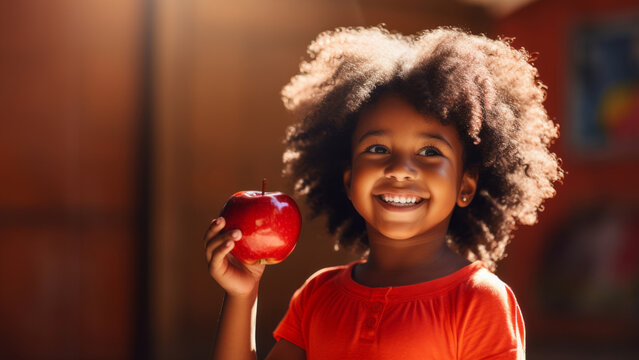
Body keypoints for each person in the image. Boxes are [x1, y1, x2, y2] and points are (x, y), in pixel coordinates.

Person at [204, 26, 563, 360]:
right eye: (377, 149)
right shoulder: (317, 296)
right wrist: (242, 295)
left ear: (465, 186)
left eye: (429, 152)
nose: (400, 168)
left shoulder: (479, 301)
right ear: (348, 180)